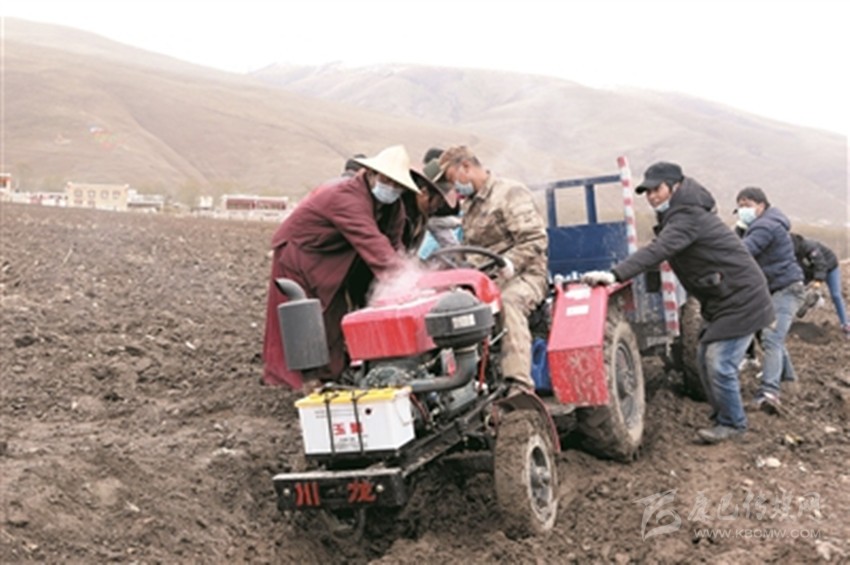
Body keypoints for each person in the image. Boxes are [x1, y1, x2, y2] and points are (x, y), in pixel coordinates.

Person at [581, 162, 774, 444]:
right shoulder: (678, 215)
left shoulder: (687, 217)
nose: (652, 196)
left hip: (742, 298)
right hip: (724, 296)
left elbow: (659, 249)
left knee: (720, 363)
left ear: (675, 186)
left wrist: (615, 274)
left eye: (656, 189)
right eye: (647, 192)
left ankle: (734, 424)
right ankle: (723, 416)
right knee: (703, 357)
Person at [262, 145, 420, 391]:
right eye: (387, 180)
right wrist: (405, 281)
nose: (392, 188)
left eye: (397, 185)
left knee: (334, 316)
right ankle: (295, 379)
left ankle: (330, 376)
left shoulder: (394, 207)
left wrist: (410, 276)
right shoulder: (346, 197)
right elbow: (373, 243)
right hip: (301, 253)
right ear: (372, 175)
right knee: (299, 316)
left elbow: (394, 245)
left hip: (332, 259)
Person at [437, 145, 548, 392]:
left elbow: (535, 239)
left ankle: (519, 385)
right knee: (448, 307)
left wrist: (510, 262)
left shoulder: (510, 193)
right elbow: (470, 249)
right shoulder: (469, 205)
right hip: (483, 279)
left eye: (452, 179)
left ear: (466, 167)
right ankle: (462, 384)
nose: (453, 187)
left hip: (524, 274)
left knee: (509, 302)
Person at [735, 187, 805, 414]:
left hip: (786, 289)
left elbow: (743, 251)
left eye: (747, 205)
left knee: (771, 337)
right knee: (772, 335)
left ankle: (769, 392)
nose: (743, 210)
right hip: (775, 288)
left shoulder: (765, 226)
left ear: (761, 205)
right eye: (740, 206)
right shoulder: (763, 224)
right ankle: (789, 381)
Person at [790, 232, 848, 336]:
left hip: (830, 267)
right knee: (796, 291)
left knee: (836, 295)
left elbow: (820, 263)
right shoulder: (791, 253)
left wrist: (818, 281)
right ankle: (792, 317)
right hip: (810, 271)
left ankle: (845, 324)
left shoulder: (809, 246)